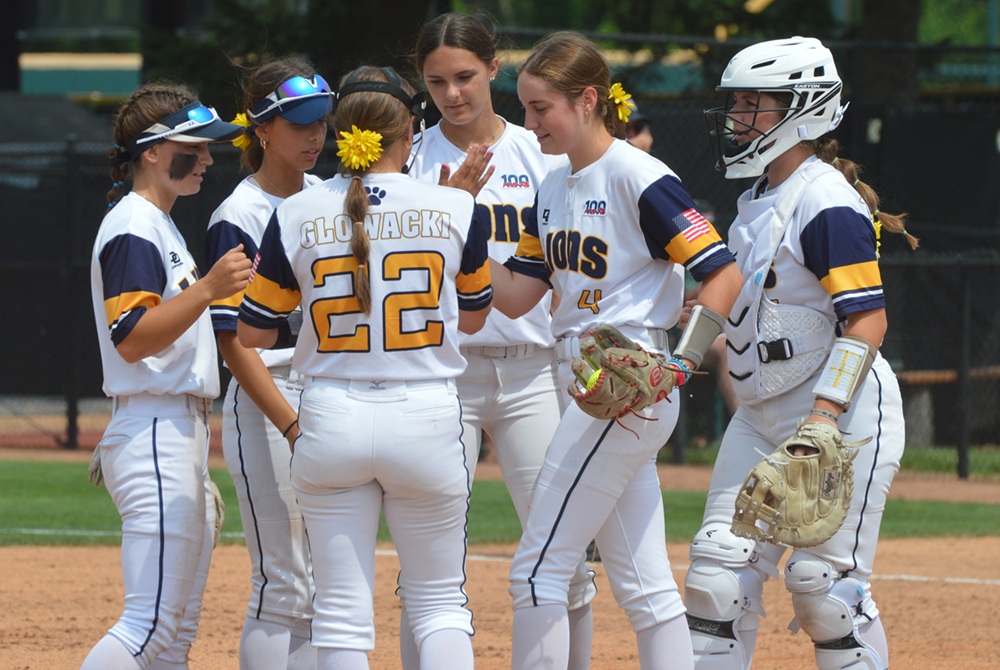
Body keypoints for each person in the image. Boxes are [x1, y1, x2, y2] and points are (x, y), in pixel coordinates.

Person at [490, 31, 743, 669]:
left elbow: (723, 273)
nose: (530, 122)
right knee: (645, 587)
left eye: (541, 107)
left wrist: (682, 361)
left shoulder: (640, 175)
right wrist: (461, 238)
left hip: (627, 378)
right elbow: (518, 295)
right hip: (580, 378)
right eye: (525, 108)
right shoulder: (551, 186)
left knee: (537, 570)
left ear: (589, 100)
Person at [236, 64, 493, 670]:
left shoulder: (296, 211)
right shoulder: (455, 206)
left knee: (341, 613)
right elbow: (477, 318)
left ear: (340, 131)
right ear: (410, 133)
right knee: (439, 604)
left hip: (329, 412)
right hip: (425, 410)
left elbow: (252, 332)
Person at [683, 36, 917, 670]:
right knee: (715, 582)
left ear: (803, 109)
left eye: (753, 105)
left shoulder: (824, 200)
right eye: (737, 104)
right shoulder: (755, 202)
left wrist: (821, 417)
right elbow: (746, 307)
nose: (737, 119)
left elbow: (867, 322)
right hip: (760, 417)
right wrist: (677, 356)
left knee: (822, 590)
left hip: (839, 420)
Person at [407, 13, 599, 666]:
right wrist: (446, 209)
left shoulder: (536, 148)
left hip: (530, 369)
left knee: (562, 552)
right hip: (443, 375)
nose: (452, 93)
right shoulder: (412, 156)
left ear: (495, 68)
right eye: (436, 81)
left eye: (465, 76)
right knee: (427, 564)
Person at [84, 84, 250, 669]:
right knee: (149, 628)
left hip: (175, 433)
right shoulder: (134, 223)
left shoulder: (157, 224)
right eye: (195, 145)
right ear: (152, 152)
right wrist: (208, 289)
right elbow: (132, 338)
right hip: (154, 428)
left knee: (173, 637)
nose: (208, 157)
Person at [204, 57, 333, 669]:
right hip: (269, 397)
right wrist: (290, 424)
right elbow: (235, 344)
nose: (315, 136)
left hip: (327, 388)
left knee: (323, 583)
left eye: (322, 123)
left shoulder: (325, 197)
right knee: (284, 582)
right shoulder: (239, 215)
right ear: (261, 131)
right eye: (299, 123)